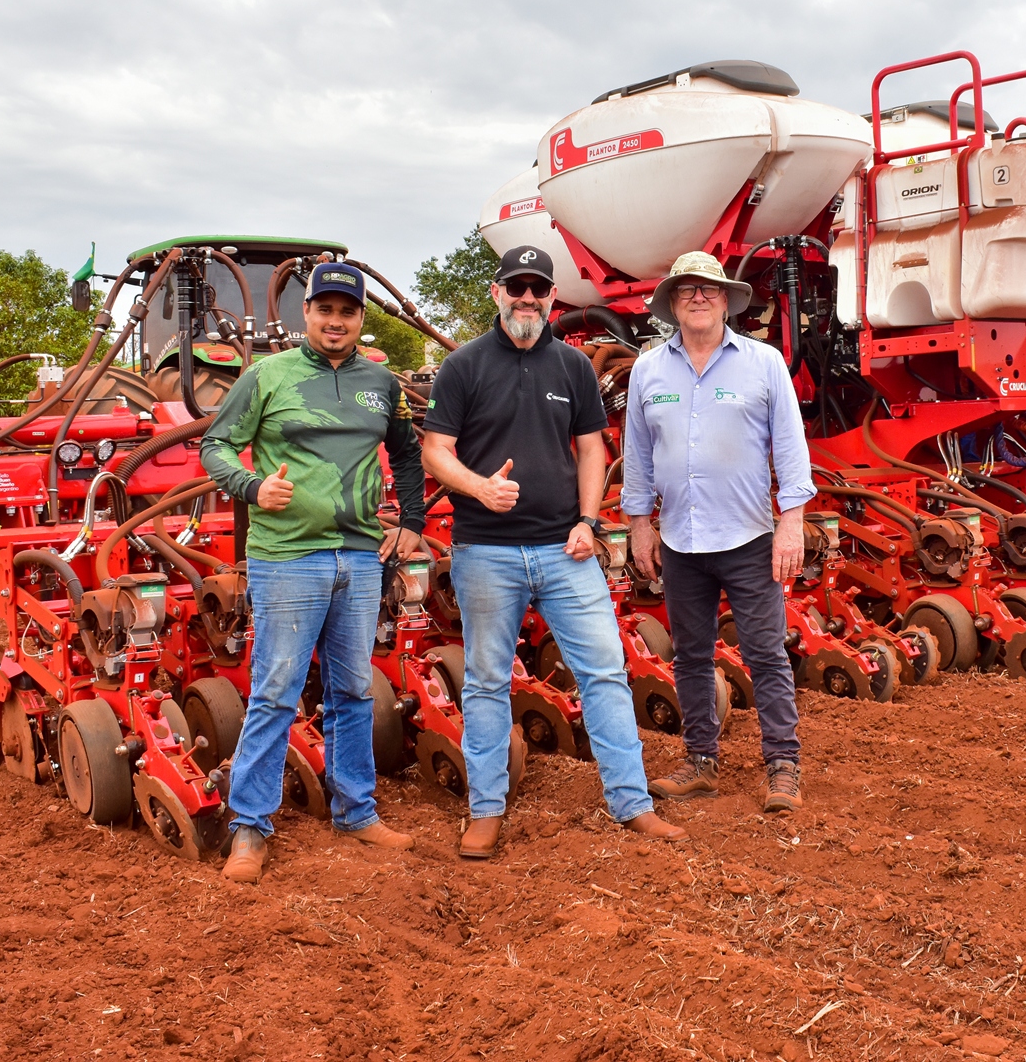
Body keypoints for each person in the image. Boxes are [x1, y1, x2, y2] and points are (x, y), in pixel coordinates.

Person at [420, 245, 688, 859]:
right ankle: (485, 810)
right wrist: (479, 487)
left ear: (550, 297)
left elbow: (592, 448)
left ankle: (632, 801)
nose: (528, 298)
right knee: (488, 682)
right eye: (516, 286)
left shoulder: (571, 367)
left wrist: (589, 522)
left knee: (604, 673)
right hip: (485, 552)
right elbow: (436, 449)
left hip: (566, 551)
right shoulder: (463, 366)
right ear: (497, 292)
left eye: (538, 288)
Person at [201, 259, 425, 883]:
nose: (335, 320)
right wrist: (250, 486)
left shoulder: (381, 384)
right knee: (275, 691)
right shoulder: (266, 376)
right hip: (288, 557)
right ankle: (250, 826)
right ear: (306, 314)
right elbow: (214, 445)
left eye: (347, 311)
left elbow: (407, 454)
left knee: (352, 688)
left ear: (358, 318)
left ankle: (357, 810)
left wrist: (411, 520)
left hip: (358, 554)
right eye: (324, 309)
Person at [621, 250, 815, 813]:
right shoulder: (649, 370)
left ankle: (783, 765)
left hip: (749, 537)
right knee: (690, 656)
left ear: (727, 299)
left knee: (766, 654)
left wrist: (791, 522)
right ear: (672, 305)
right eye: (686, 291)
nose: (698, 298)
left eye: (708, 290)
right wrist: (639, 525)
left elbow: (790, 447)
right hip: (680, 540)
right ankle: (701, 760)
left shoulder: (763, 363)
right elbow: (637, 454)